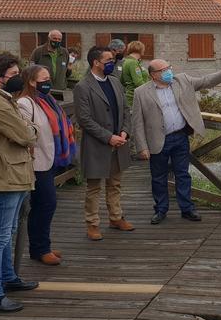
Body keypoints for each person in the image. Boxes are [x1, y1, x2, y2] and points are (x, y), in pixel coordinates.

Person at [132, 60, 221, 224]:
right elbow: (137, 121)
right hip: (157, 140)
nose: (169, 71)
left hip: (180, 137)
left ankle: (187, 209)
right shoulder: (141, 92)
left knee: (183, 174)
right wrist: (142, 147)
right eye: (164, 70)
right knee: (158, 177)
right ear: (154, 75)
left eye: (169, 68)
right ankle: (161, 210)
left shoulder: (182, 80)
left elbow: (205, 81)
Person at [0, 53, 39, 312]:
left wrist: (28, 130)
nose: (18, 79)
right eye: (13, 75)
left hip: (15, 172)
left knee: (10, 230)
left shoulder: (5, 98)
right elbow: (26, 133)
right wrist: (31, 130)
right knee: (0, 237)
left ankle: (8, 278)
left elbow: (24, 131)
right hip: (5, 174)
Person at [16, 65, 76, 266]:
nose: (48, 82)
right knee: (45, 203)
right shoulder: (25, 103)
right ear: (32, 82)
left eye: (49, 78)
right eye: (44, 78)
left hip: (50, 158)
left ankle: (40, 246)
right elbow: (27, 132)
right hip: (36, 162)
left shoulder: (48, 100)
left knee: (44, 204)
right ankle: (40, 248)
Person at [73, 46, 134, 240]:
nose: (112, 63)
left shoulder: (115, 82)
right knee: (93, 187)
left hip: (119, 142)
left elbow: (125, 110)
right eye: (108, 60)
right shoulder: (83, 86)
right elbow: (84, 119)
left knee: (115, 184)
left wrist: (124, 131)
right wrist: (108, 137)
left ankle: (116, 217)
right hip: (97, 144)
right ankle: (92, 223)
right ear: (96, 62)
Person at [120, 40, 150, 108]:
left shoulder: (126, 61)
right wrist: (150, 90)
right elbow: (138, 82)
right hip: (136, 97)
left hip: (130, 96)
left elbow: (122, 80)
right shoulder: (133, 63)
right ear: (140, 50)